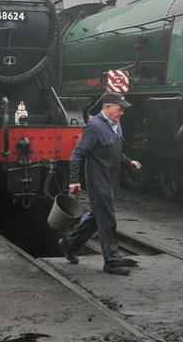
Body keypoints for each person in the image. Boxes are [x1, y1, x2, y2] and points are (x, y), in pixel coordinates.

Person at [58, 91, 141, 275]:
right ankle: (111, 261)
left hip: (111, 181)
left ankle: (69, 244)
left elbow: (116, 150)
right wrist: (74, 180)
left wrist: (128, 163)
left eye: (123, 110)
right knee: (107, 220)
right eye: (119, 109)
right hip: (98, 182)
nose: (122, 113)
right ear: (108, 107)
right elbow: (77, 154)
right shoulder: (94, 127)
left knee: (97, 217)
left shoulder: (116, 125)